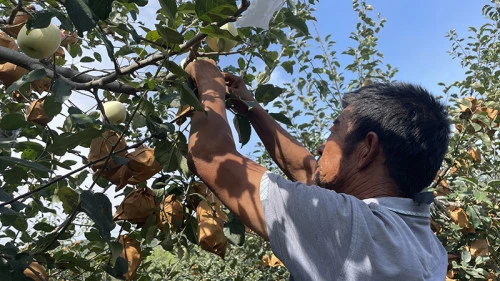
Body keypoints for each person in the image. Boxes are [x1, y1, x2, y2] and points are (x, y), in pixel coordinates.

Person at [185, 59, 451, 281]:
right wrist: (251, 107)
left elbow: (212, 155)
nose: (323, 145)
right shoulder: (424, 243)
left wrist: (209, 81)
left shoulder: (348, 228)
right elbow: (307, 171)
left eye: (334, 129)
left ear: (366, 148)